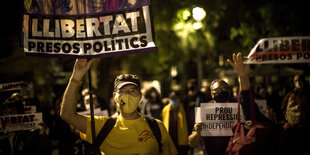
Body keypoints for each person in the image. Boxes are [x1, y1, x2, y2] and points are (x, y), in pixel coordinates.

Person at [60, 59, 177, 154]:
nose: (127, 95)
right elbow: (67, 115)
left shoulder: (156, 126)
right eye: (122, 90)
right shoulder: (102, 127)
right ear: (115, 96)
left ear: (140, 96)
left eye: (132, 90)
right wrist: (76, 77)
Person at [188, 79, 236, 155]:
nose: (221, 91)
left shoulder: (237, 108)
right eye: (217, 90)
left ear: (228, 91)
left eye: (224, 89)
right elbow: (191, 143)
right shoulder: (205, 110)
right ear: (212, 93)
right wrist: (197, 132)